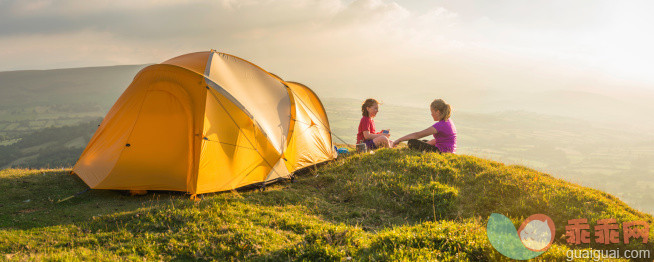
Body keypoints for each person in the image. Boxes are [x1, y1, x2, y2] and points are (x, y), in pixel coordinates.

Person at [392, 99, 456, 153]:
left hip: (442, 152)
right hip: (448, 151)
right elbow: (440, 140)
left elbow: (417, 135)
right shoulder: (448, 121)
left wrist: (398, 140)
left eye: (432, 111)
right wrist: (426, 143)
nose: (431, 114)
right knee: (424, 141)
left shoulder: (440, 125)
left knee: (412, 142)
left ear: (437, 112)